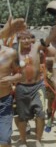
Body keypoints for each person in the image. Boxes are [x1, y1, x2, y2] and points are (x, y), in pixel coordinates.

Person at [14, 16, 56, 147]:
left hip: (37, 87)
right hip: (21, 88)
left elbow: (51, 37)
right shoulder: (14, 53)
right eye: (22, 38)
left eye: (28, 38)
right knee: (22, 117)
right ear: (18, 40)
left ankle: (38, 140)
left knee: (41, 114)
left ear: (31, 39)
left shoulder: (36, 47)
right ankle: (23, 140)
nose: (26, 41)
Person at [0, 17, 26, 147]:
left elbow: (20, 74)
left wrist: (12, 78)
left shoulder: (10, 53)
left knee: (4, 141)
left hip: (4, 102)